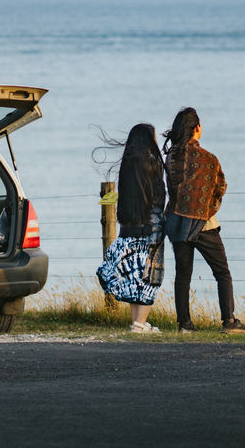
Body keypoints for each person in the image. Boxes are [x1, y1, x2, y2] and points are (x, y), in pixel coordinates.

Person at [163, 107, 245, 334]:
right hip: (204, 224)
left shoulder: (171, 156)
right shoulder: (209, 159)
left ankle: (184, 324)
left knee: (183, 274)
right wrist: (206, 211)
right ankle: (229, 321)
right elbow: (220, 188)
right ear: (197, 129)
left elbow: (171, 189)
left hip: (177, 222)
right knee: (222, 272)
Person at [96, 124, 166, 333]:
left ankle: (137, 322)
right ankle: (140, 324)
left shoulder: (126, 165)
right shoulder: (153, 164)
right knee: (150, 277)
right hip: (150, 227)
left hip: (128, 228)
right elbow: (159, 197)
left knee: (135, 276)